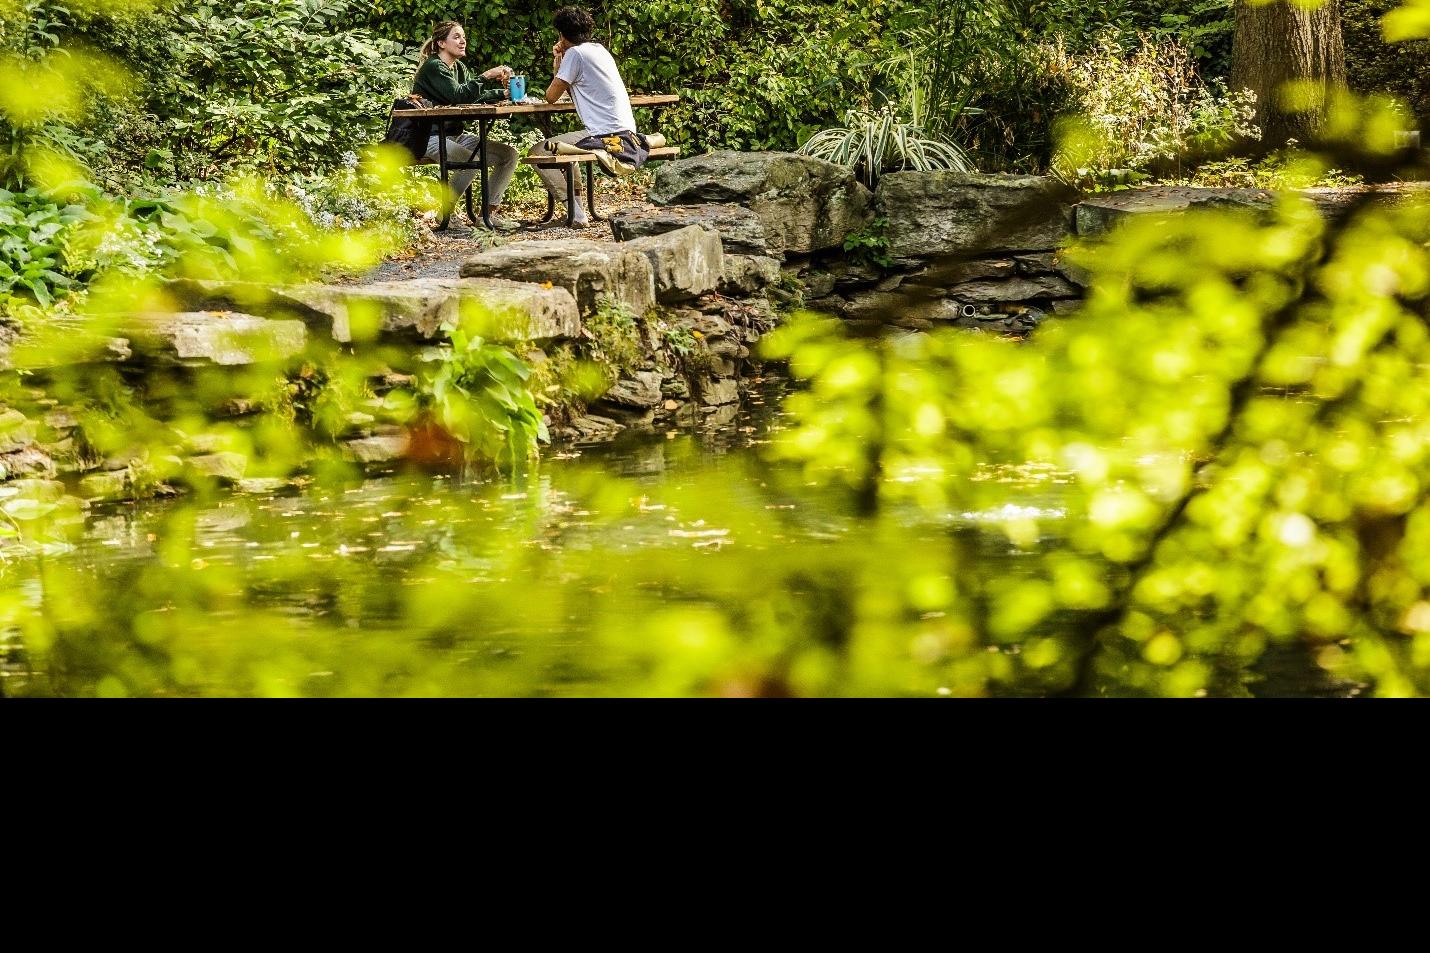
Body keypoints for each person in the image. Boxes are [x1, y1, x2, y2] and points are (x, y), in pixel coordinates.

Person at [531, 6, 641, 228]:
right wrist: (561, 64)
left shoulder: (575, 54)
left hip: (605, 135)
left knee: (538, 152)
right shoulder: (599, 50)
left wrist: (558, 63)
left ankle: (575, 211)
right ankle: (577, 210)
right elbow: (570, 88)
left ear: (562, 35)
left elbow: (551, 96)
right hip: (626, 131)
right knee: (564, 148)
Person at [412, 20, 520, 230]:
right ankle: (445, 213)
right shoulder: (434, 67)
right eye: (457, 37)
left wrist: (505, 93)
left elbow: (473, 97)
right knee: (472, 160)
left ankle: (487, 214)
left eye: (464, 37)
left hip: (454, 134)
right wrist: (487, 75)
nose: (463, 42)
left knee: (509, 155)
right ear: (441, 43)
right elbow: (458, 95)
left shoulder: (459, 67)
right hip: (429, 137)